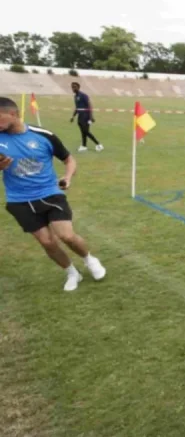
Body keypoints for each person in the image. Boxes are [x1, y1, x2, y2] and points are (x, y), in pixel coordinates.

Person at [0, 97, 106, 292]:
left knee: (67, 236)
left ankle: (89, 259)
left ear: (12, 114)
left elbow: (69, 160)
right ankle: (72, 273)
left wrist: (67, 178)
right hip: (19, 200)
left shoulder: (44, 136)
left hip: (49, 194)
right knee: (47, 242)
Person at [70, 82, 103, 152]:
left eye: (75, 87)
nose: (73, 88)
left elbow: (90, 105)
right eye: (72, 87)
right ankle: (84, 146)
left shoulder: (83, 95)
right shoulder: (75, 97)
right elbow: (77, 108)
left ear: (78, 87)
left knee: (86, 131)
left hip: (86, 116)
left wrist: (91, 117)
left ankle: (98, 144)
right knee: (83, 132)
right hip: (80, 116)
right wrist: (73, 116)